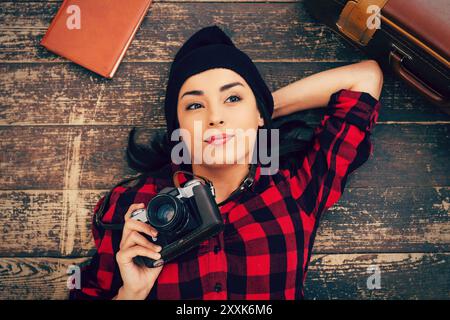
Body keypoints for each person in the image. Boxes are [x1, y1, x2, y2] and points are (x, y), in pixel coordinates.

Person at [69, 25, 383, 300]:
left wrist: (261, 109)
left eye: (232, 99)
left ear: (260, 112)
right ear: (178, 129)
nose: (215, 117)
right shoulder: (133, 207)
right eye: (194, 105)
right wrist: (131, 293)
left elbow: (366, 78)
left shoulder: (297, 188)